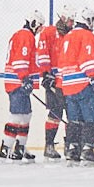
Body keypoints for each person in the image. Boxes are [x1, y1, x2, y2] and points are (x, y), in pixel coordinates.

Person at [54, 14, 94, 161]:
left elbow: (61, 64)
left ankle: (72, 149)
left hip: (68, 85)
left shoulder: (67, 36)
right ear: (88, 20)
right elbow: (88, 61)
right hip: (83, 83)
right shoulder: (87, 36)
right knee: (92, 116)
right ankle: (87, 149)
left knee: (75, 119)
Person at [0, 14, 43, 161]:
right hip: (18, 82)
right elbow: (20, 60)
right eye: (39, 26)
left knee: (26, 115)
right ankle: (6, 147)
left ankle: (20, 147)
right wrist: (24, 78)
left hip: (19, 82)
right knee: (17, 116)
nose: (39, 29)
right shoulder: (26, 36)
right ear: (34, 23)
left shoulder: (21, 35)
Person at [35, 12, 68, 158]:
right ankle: (49, 145)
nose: (72, 24)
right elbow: (42, 54)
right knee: (55, 113)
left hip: (68, 80)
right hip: (53, 80)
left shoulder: (72, 35)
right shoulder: (49, 32)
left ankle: (70, 146)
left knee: (73, 114)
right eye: (70, 20)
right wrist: (45, 74)